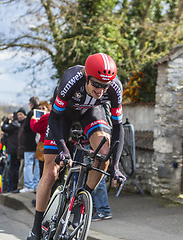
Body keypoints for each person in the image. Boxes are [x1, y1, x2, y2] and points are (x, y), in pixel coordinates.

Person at [27, 53, 126, 239]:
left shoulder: (114, 87)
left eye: (104, 86)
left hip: (91, 113)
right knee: (51, 172)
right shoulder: (71, 79)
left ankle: (82, 200)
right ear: (86, 77)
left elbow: (119, 126)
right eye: (96, 84)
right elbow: (55, 117)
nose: (100, 91)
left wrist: (116, 166)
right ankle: (36, 228)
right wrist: (64, 150)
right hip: (63, 116)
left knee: (104, 154)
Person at [20, 96, 40, 193]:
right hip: (39, 143)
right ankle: (36, 184)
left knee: (28, 164)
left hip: (29, 143)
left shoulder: (31, 113)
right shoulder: (41, 113)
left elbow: (26, 128)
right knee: (37, 165)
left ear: (31, 104)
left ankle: (29, 185)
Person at [30, 101, 51, 177]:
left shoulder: (46, 117)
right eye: (39, 108)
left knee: (42, 169)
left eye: (43, 108)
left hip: (44, 143)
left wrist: (33, 120)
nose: (41, 110)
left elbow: (35, 128)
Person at [1, 112, 20, 192]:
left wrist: (7, 120)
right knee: (14, 169)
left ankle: (11, 187)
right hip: (15, 150)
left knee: (12, 170)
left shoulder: (15, 124)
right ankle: (11, 187)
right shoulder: (17, 124)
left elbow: (4, 128)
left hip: (13, 150)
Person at [16, 107, 27, 191]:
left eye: (21, 114)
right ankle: (20, 186)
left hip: (25, 151)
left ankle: (22, 186)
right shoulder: (20, 125)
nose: (19, 116)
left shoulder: (25, 125)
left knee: (23, 169)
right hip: (20, 152)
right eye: (18, 115)